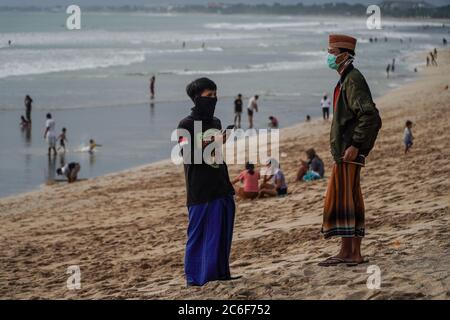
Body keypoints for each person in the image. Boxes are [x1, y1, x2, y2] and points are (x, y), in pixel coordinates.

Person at [319, 34, 381, 267]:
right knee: (348, 199)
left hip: (349, 152)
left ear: (344, 55)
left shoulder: (353, 79)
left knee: (346, 200)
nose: (329, 57)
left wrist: (356, 145)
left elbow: (370, 116)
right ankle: (349, 251)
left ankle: (351, 253)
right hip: (345, 152)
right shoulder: (346, 79)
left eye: (331, 53)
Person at [177, 77, 236, 286]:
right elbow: (186, 155)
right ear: (196, 98)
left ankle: (220, 273)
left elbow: (217, 156)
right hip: (199, 189)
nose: (214, 98)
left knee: (221, 234)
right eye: (208, 95)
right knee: (199, 235)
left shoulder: (216, 122)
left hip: (220, 184)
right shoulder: (185, 124)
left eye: (215, 94)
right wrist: (210, 143)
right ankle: (195, 278)